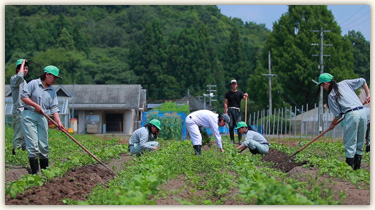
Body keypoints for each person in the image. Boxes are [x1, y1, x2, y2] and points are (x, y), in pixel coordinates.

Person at [317, 73, 370, 170]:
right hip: (362, 112)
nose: (323, 88)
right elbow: (363, 80)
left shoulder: (331, 95)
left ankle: (349, 169)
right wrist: (368, 95)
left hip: (352, 115)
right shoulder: (345, 83)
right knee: (360, 142)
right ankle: (357, 168)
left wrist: (332, 124)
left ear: (326, 83)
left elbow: (338, 115)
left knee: (350, 143)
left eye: (322, 85)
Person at [21, 65, 64, 174]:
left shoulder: (52, 91)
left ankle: (45, 173)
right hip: (29, 115)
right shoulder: (33, 84)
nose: (54, 80)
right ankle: (35, 173)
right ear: (47, 75)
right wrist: (35, 105)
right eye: (53, 77)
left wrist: (58, 122)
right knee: (33, 145)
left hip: (43, 117)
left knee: (44, 146)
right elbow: (23, 97)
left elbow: (54, 107)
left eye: (56, 78)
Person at [10, 59, 28, 155]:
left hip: (25, 111)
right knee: (19, 135)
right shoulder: (14, 79)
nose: (25, 70)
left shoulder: (25, 82)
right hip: (19, 111)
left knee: (26, 136)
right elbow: (20, 75)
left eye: (26, 69)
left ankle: (23, 155)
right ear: (18, 69)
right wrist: (22, 63)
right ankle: (16, 155)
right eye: (23, 68)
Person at [224, 79, 248, 145]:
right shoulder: (228, 94)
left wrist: (246, 95)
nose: (234, 85)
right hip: (230, 110)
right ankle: (232, 140)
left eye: (235, 84)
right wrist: (226, 112)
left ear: (237, 85)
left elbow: (244, 98)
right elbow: (225, 103)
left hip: (237, 110)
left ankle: (240, 140)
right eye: (232, 84)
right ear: (231, 85)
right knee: (231, 125)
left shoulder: (239, 93)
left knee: (239, 125)